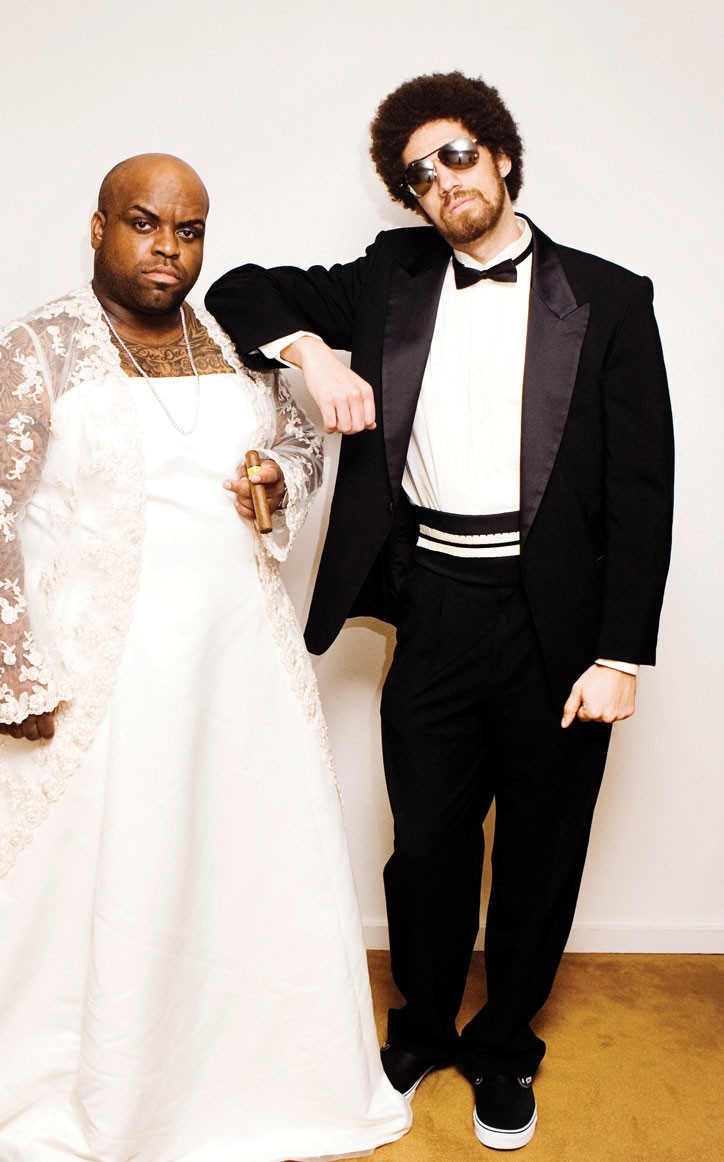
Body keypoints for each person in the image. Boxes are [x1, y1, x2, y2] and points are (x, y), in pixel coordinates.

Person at [0, 154, 411, 1161]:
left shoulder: (233, 345)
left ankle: (211, 1075)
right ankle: (60, 1072)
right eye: (144, 223)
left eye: (188, 231)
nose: (167, 249)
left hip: (230, 665)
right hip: (92, 670)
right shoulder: (33, 349)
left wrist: (278, 475)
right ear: (98, 227)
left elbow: (301, 447)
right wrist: (13, 670)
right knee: (63, 881)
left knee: (228, 864)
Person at [206, 72, 674, 1151]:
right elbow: (238, 289)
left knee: (542, 847)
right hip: (436, 605)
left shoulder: (610, 297)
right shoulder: (391, 275)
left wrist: (620, 655)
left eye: (457, 155)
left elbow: (643, 489)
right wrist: (312, 353)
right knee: (425, 844)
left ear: (501, 157)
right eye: (418, 174)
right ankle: (421, 1025)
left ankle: (504, 1046)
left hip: (559, 623)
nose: (442, 181)